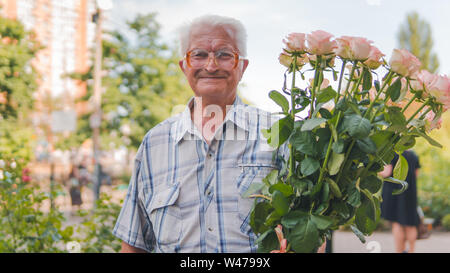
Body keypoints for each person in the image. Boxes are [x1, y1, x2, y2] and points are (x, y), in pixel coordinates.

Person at [113, 15, 323, 253]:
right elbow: (133, 245)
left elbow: (311, 229)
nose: (211, 66)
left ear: (242, 67)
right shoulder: (154, 144)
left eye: (224, 54)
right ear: (185, 66)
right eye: (199, 54)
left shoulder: (280, 134)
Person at [379, 149, 421, 253]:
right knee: (410, 223)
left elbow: (386, 172)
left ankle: (399, 250)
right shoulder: (413, 155)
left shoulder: (392, 153)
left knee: (397, 223)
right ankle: (411, 250)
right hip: (410, 193)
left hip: (395, 193)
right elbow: (416, 175)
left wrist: (375, 170)